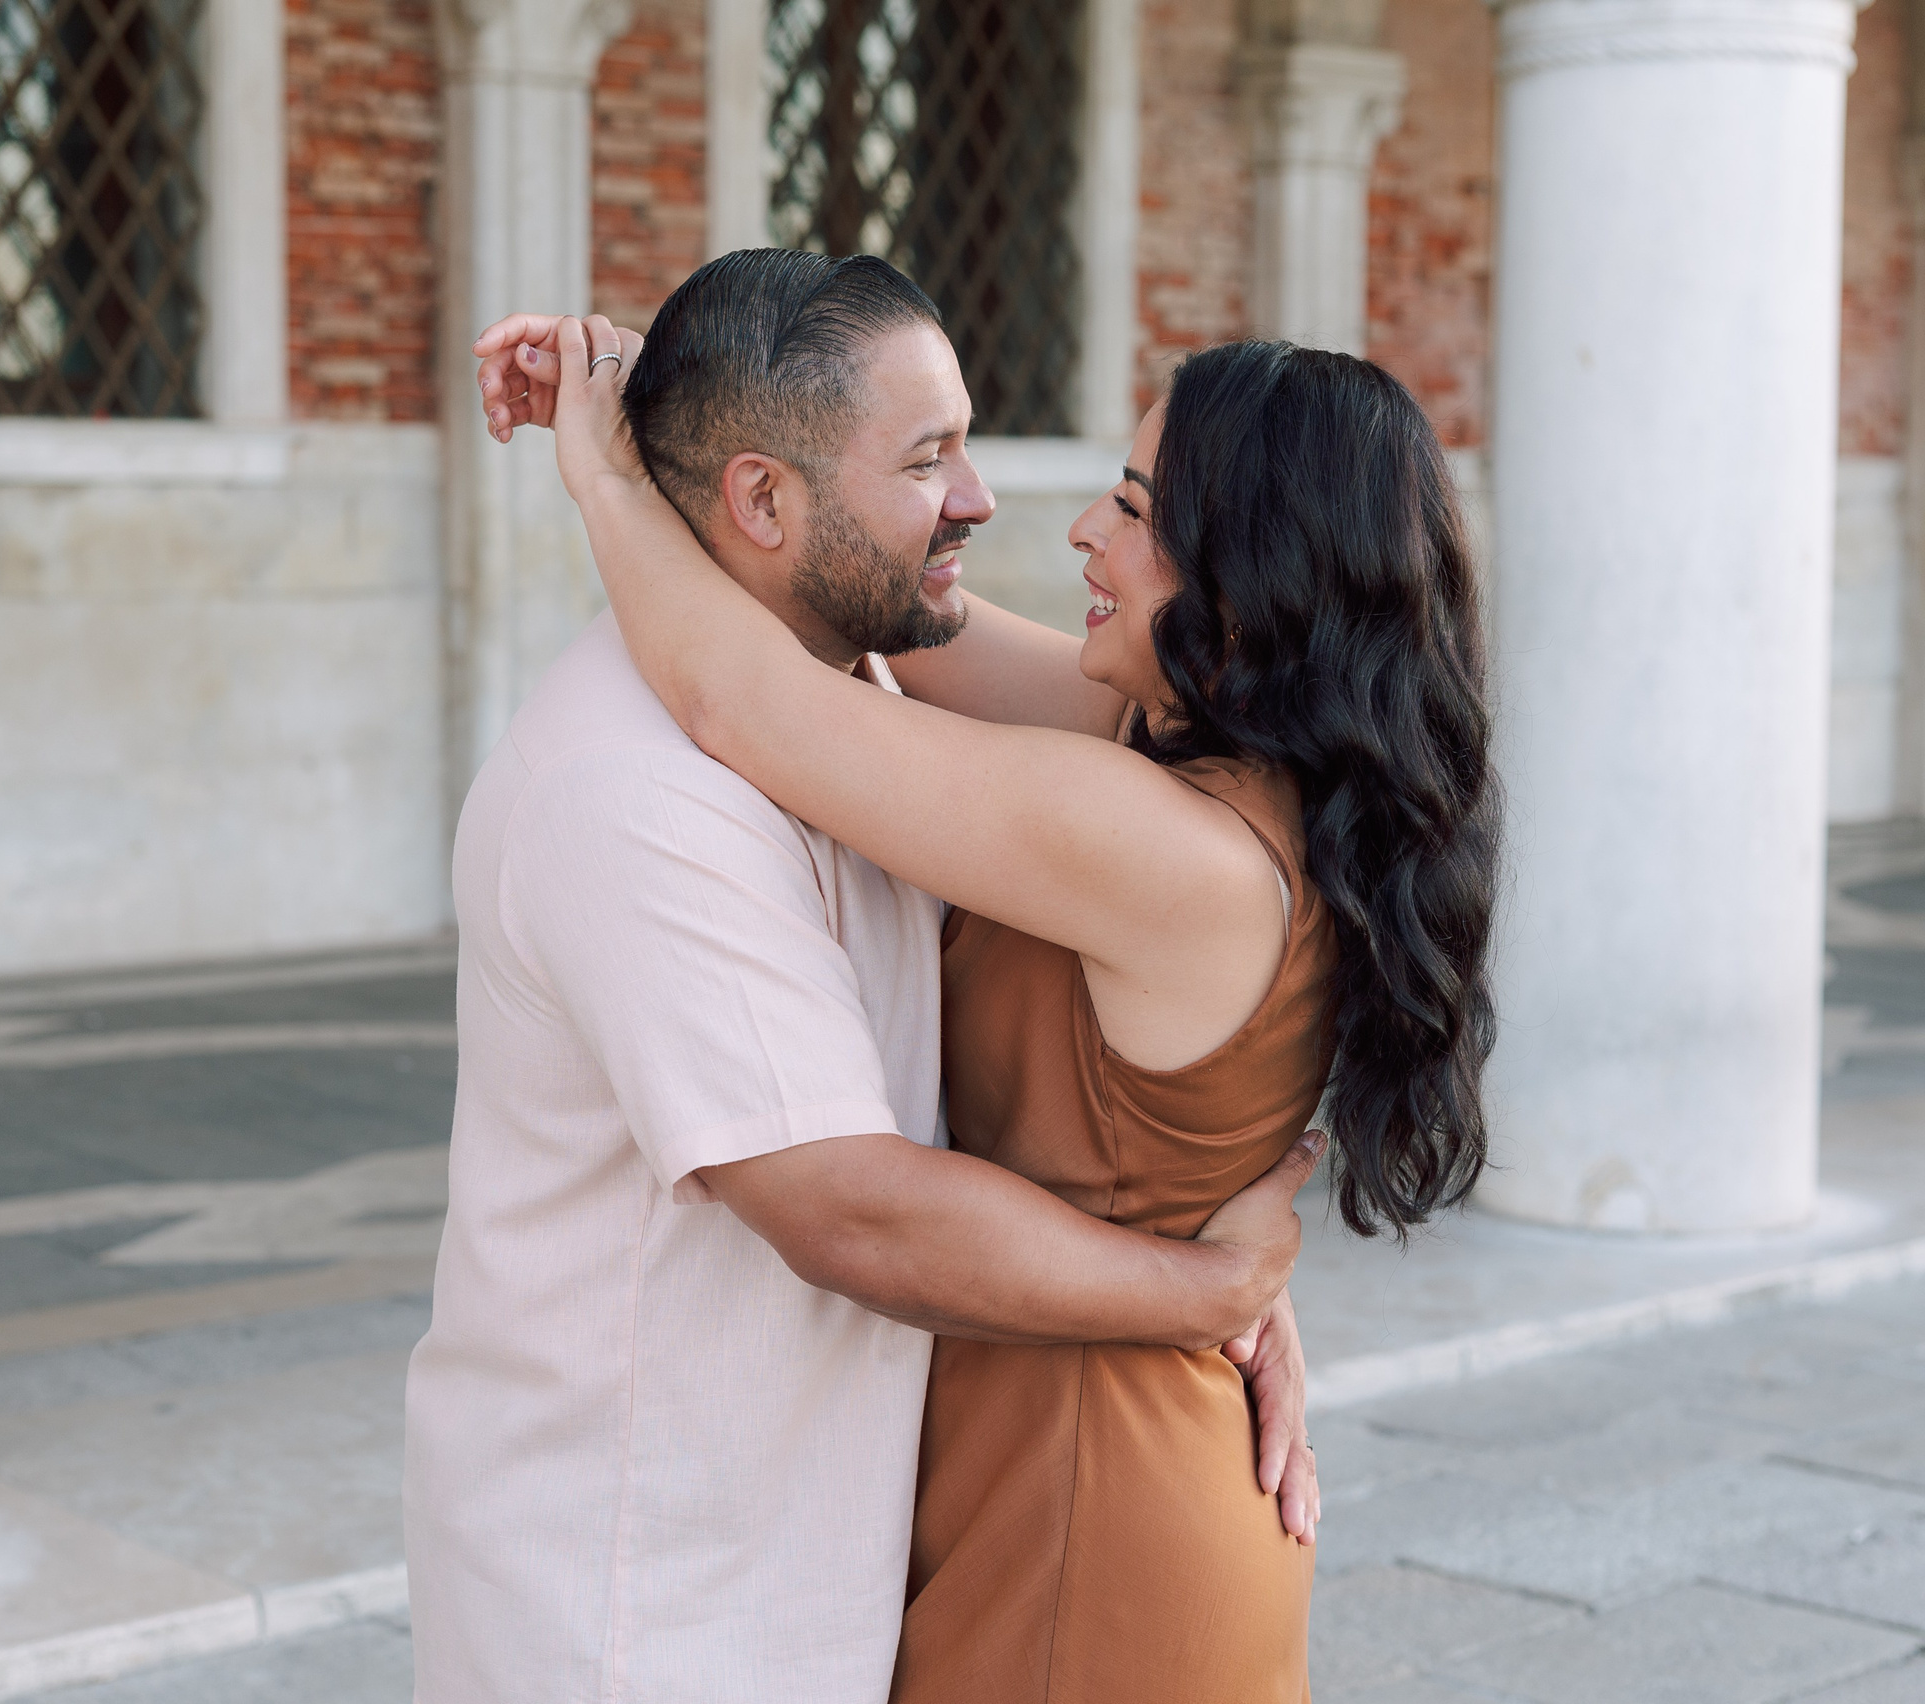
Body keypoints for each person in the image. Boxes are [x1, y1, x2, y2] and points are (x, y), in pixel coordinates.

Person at [475, 259, 1499, 1702]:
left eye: (1134, 512)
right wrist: (695, 413)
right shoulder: (1196, 755)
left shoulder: (1157, 839)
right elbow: (879, 608)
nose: (1075, 528)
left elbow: (738, 696)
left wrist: (604, 474)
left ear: (1247, 586)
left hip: (1090, 1500)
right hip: (1077, 1445)